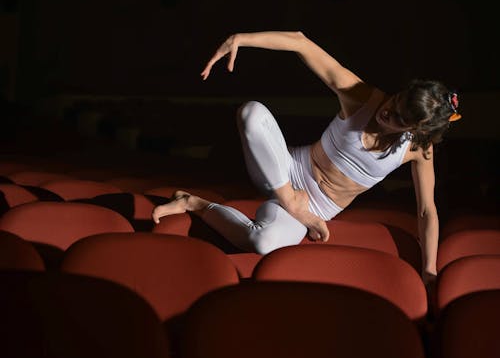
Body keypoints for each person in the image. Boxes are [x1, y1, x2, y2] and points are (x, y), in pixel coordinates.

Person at [152, 31, 462, 284]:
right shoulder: (362, 97)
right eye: (395, 101)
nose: (387, 112)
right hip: (284, 171)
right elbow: (301, 43)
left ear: (416, 130)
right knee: (252, 112)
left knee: (264, 244)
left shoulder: (418, 149)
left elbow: (426, 212)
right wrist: (240, 39)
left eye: (398, 118)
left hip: (317, 206)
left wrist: (430, 270)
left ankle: (191, 202)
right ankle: (288, 201)